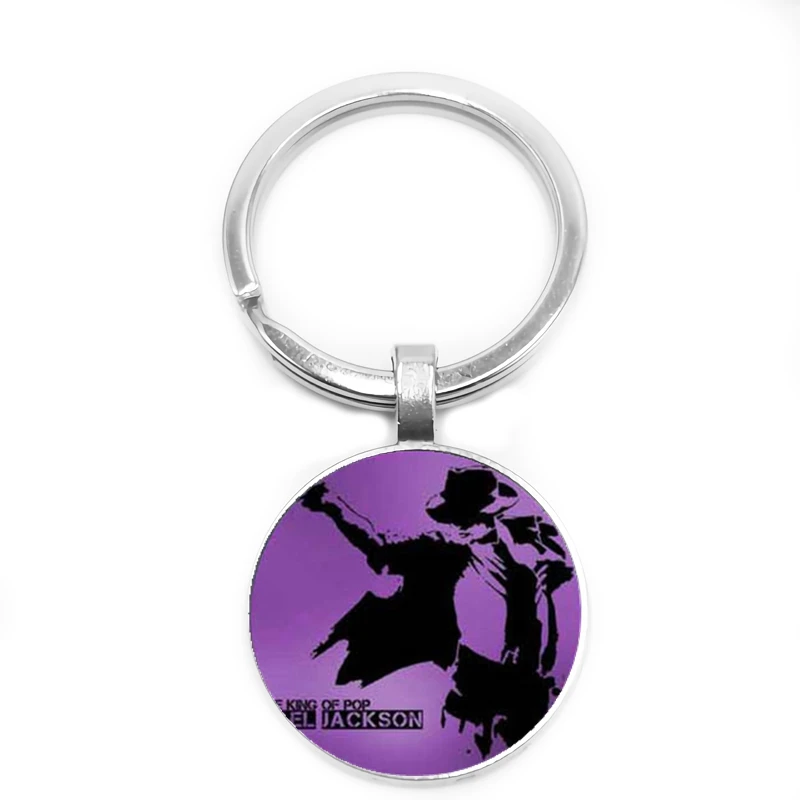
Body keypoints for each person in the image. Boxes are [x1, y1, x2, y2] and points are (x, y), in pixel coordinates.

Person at [301, 465, 574, 758]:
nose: (456, 525)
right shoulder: (443, 549)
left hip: (532, 686)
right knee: (471, 754)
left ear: (486, 515)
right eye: (453, 518)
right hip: (475, 680)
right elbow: (379, 546)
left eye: (462, 517)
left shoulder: (526, 541)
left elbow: (556, 576)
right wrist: (333, 506)